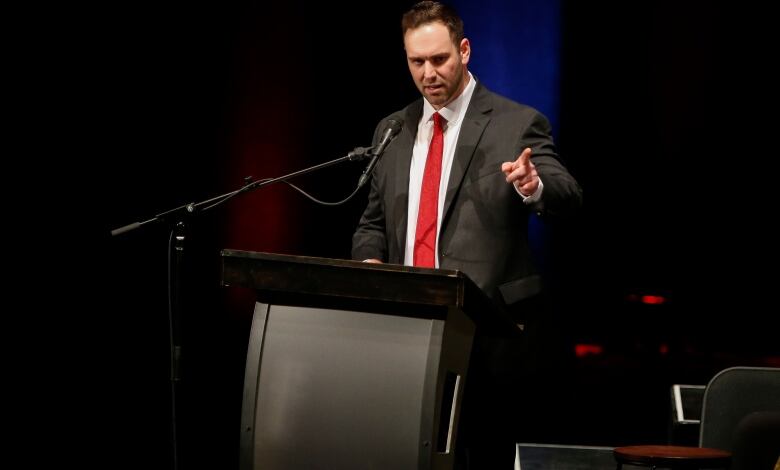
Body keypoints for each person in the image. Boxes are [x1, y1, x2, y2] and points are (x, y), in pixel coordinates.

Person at [352, 1, 583, 468]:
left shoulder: (515, 123)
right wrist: (371, 269)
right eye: (417, 62)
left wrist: (533, 185)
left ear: (465, 50)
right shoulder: (393, 129)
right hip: (404, 332)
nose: (428, 73)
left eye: (440, 60)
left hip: (487, 339)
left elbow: (568, 193)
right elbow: (372, 225)